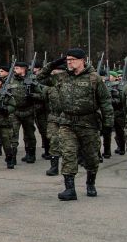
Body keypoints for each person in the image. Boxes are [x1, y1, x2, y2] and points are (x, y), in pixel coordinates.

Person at [38, 49, 113, 200]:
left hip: (88, 124)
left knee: (91, 158)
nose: (69, 62)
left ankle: (90, 183)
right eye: (67, 59)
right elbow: (40, 78)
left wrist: (108, 124)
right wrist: (53, 64)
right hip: (67, 123)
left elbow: (105, 102)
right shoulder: (61, 77)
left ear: (82, 60)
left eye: (72, 59)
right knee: (68, 154)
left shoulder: (94, 78)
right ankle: (69, 189)